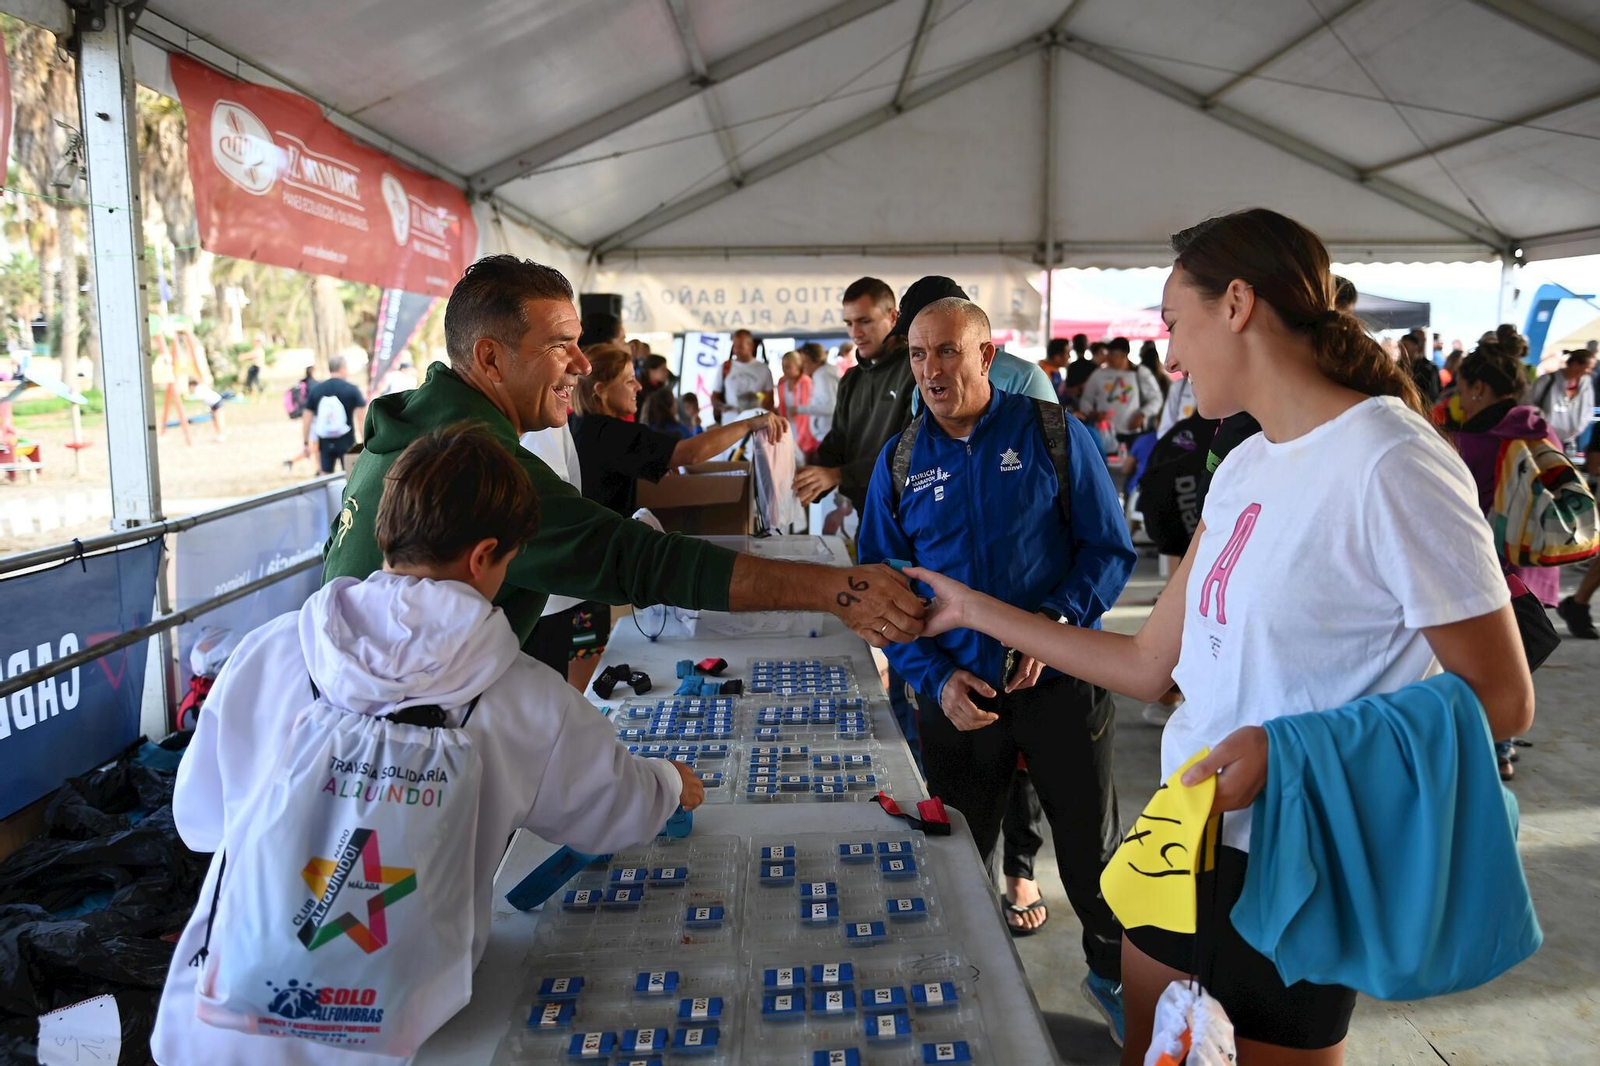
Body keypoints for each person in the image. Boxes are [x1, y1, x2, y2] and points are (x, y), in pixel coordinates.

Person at [903, 208, 1533, 1065]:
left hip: (1293, 857)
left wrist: (1292, 749)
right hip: (1179, 833)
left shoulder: (1392, 459)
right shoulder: (1245, 464)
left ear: (1236, 303)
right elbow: (1144, 663)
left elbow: (1501, 698)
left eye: (1173, 323)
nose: (1170, 356)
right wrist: (971, 608)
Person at [150, 424, 703, 1066]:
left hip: (215, 1024)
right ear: (484, 555)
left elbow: (198, 822)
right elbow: (615, 809)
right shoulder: (524, 696)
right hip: (393, 1035)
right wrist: (668, 784)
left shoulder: (271, 651)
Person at [321, 255, 925, 655]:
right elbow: (638, 560)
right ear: (489, 359)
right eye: (561, 346)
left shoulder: (415, 432)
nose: (582, 366)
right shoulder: (469, 469)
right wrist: (836, 589)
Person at [858, 296, 1136, 1041]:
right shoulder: (901, 458)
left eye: (947, 352)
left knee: (1091, 855)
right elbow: (879, 588)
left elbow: (1109, 552)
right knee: (955, 857)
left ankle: (1112, 979)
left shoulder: (1051, 432)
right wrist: (933, 677)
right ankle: (964, 989)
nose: (931, 371)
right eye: (918, 356)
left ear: (987, 356)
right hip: (957, 696)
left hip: (1061, 684)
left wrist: (1057, 626)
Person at [1447, 324, 1555, 781]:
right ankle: (1504, 746)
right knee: (1518, 656)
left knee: (1487, 664)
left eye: (1466, 390)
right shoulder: (1539, 428)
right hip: (1537, 561)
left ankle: (1496, 748)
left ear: (1479, 387)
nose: (1462, 400)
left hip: (1491, 570)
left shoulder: (1470, 443)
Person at [571, 343, 788, 516]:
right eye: (629, 381)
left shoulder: (581, 425)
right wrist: (748, 424)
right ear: (601, 391)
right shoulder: (610, 433)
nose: (639, 387)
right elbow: (691, 453)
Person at [794, 277, 912, 510]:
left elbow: (909, 452)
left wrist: (837, 475)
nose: (855, 333)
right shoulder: (850, 379)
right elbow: (837, 440)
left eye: (864, 321)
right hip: (862, 511)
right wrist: (809, 475)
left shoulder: (914, 370)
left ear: (892, 317)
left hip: (907, 511)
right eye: (849, 323)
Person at [519, 420, 589, 683]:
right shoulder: (541, 421)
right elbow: (550, 504)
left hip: (544, 594)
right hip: (538, 597)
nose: (580, 375)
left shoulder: (544, 420)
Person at [1082, 337, 1163, 446]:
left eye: (1113, 354)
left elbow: (1156, 398)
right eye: (1108, 353)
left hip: (1133, 434)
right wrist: (1093, 413)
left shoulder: (1140, 373)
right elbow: (1086, 399)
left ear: (1124, 355)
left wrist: (1143, 414)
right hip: (1105, 433)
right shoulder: (1099, 374)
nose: (1108, 358)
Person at [301, 354, 367, 473]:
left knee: (325, 476)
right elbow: (362, 420)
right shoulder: (352, 389)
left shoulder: (316, 390)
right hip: (347, 442)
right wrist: (365, 444)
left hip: (324, 443)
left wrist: (306, 442)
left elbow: (307, 419)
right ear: (342, 369)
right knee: (350, 477)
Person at [1529, 348, 1595, 452]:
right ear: (1575, 364)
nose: (1589, 372)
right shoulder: (1546, 381)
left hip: (1570, 442)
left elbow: (1588, 408)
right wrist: (1542, 420)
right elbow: (1528, 404)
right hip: (1544, 438)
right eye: (1587, 368)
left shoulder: (1586, 386)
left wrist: (1579, 427)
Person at [712, 328, 774, 423]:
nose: (736, 350)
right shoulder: (725, 367)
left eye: (740, 346)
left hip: (755, 424)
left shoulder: (763, 369)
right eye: (734, 346)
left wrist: (758, 409)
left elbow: (770, 400)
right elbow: (714, 396)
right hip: (729, 423)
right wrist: (722, 407)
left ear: (750, 346)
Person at [794, 340, 840, 442]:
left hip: (827, 433)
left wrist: (799, 409)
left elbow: (830, 407)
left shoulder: (822, 375)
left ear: (816, 360)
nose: (802, 366)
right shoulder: (825, 373)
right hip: (828, 432)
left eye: (805, 361)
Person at [775, 350, 819, 455]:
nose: (784, 370)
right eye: (783, 366)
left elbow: (808, 409)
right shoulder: (782, 381)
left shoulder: (806, 382)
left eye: (788, 366)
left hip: (805, 429)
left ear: (799, 366)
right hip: (788, 425)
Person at [1401, 331, 1442, 403]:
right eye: (1401, 347)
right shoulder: (1396, 367)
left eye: (1406, 346)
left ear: (1416, 347)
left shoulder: (1430, 368)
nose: (1403, 350)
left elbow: (1434, 394)